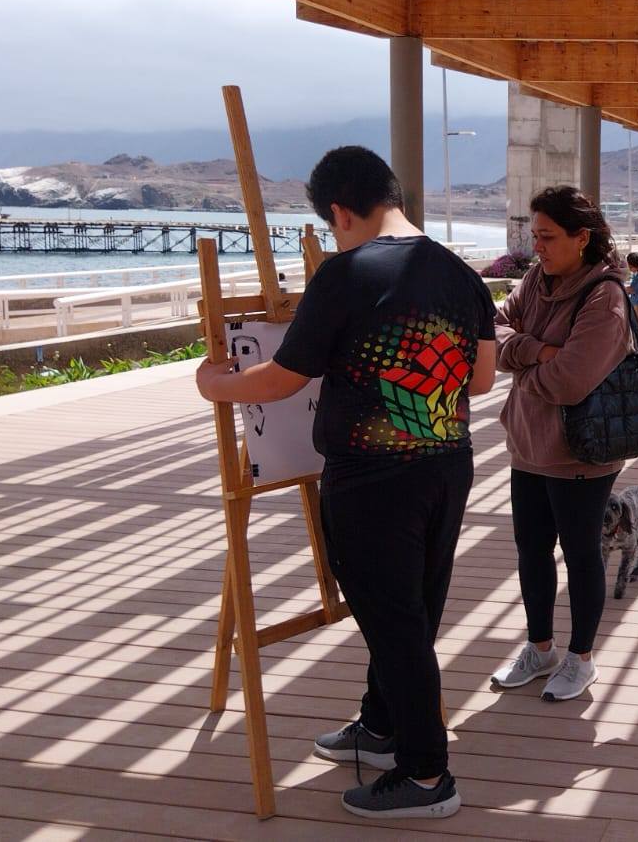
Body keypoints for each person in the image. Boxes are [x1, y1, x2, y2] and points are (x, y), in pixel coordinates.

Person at [195, 146, 496, 820]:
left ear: (339, 210)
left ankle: (427, 777)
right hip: (447, 463)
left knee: (394, 623)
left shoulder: (345, 274)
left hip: (371, 478)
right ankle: (383, 728)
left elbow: (282, 380)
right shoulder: (459, 271)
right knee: (410, 612)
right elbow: (479, 378)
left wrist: (216, 383)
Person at [490, 185, 631, 702]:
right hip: (528, 444)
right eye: (535, 237)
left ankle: (581, 658)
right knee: (531, 552)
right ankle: (541, 648)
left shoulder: (605, 297)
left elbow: (571, 381)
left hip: (580, 453)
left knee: (580, 555)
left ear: (582, 238)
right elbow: (495, 328)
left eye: (548, 237)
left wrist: (523, 363)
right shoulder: (535, 280)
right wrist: (537, 350)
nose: (537, 248)